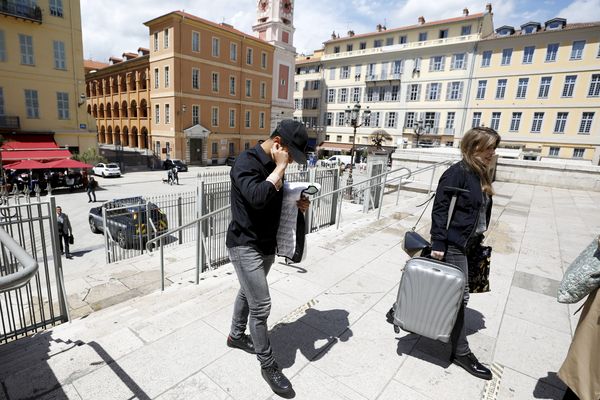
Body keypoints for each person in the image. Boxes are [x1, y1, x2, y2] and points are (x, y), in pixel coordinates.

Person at [226, 119, 310, 396]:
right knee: (261, 305)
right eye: (291, 156)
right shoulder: (245, 163)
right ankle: (268, 364)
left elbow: (275, 197)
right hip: (244, 244)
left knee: (247, 291)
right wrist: (281, 167)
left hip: (266, 244)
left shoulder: (275, 164)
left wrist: (296, 201)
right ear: (278, 144)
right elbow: (257, 197)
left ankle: (236, 336)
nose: (292, 162)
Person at [429, 126, 501, 381]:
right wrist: (438, 243)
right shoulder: (456, 173)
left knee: (452, 292)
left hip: (470, 242)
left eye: (494, 147)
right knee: (459, 298)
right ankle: (461, 352)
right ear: (473, 147)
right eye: (488, 148)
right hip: (454, 243)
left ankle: (402, 306)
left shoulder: (480, 172)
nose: (492, 152)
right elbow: (440, 209)